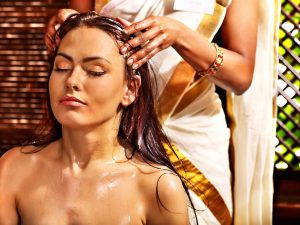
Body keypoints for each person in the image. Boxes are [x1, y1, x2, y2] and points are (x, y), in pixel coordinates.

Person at [44, 1, 280, 225]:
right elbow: (80, 33)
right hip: (111, 126)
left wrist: (179, 36)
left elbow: (241, 76)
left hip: (191, 129)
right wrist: (65, 24)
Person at [0, 12, 195, 225]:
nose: (72, 81)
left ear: (130, 89)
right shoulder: (14, 169)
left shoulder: (157, 187)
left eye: (95, 71)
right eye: (61, 67)